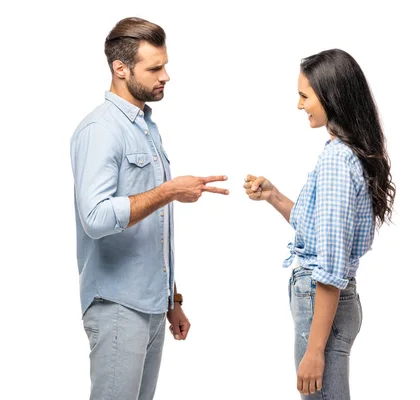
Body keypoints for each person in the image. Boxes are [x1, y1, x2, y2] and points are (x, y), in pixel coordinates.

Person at [70, 17, 229, 400]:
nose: (166, 76)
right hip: (117, 307)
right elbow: (95, 218)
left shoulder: (145, 126)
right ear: (120, 69)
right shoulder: (100, 130)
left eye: (165, 65)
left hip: (152, 307)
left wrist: (171, 299)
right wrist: (169, 191)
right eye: (155, 68)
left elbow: (151, 230)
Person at [243, 49, 396, 399]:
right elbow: (320, 230)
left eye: (304, 96)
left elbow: (329, 264)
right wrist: (274, 196)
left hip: (322, 306)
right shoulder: (346, 153)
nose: (299, 105)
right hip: (333, 304)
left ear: (331, 96)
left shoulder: (336, 162)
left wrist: (315, 351)